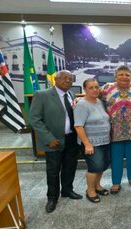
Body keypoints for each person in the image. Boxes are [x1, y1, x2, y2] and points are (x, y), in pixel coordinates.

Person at [30, 70, 82, 213]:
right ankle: (52, 198)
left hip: (71, 138)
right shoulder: (42, 95)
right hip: (53, 140)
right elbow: (34, 119)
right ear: (56, 80)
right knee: (53, 170)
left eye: (70, 79)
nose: (68, 81)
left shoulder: (71, 95)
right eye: (64, 78)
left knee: (70, 166)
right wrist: (48, 138)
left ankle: (67, 190)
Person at [101, 65, 131, 194]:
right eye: (121, 74)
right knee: (116, 157)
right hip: (114, 130)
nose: (124, 77)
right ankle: (116, 182)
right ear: (115, 76)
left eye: (127, 75)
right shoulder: (106, 88)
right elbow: (93, 98)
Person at [74, 78, 111, 203]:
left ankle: (97, 186)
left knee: (101, 166)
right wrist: (87, 144)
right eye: (91, 87)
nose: (95, 90)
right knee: (94, 167)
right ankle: (90, 191)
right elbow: (78, 126)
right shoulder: (82, 105)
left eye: (97, 87)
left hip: (105, 140)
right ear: (84, 89)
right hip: (91, 143)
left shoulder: (99, 102)